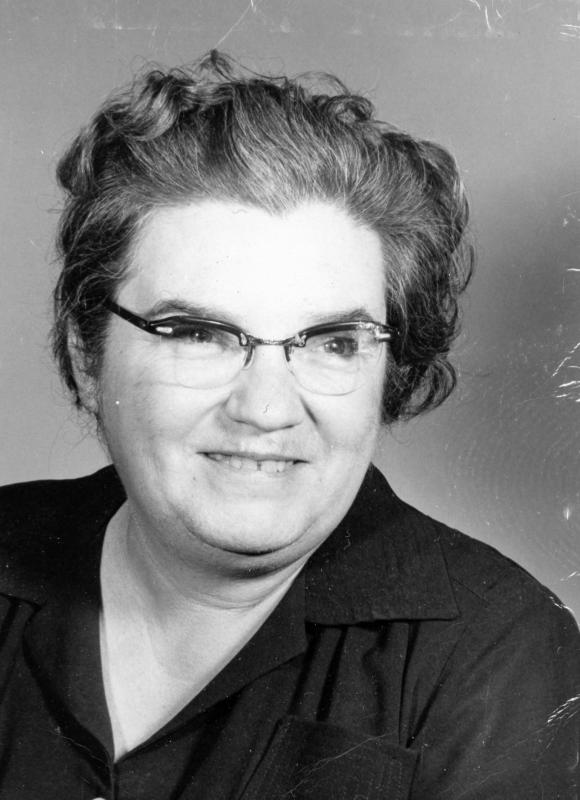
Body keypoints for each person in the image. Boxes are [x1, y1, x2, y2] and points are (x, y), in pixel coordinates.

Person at [0, 50, 578, 799]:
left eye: (332, 343)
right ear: (88, 357)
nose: (267, 408)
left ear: (390, 372)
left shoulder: (500, 657)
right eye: (198, 334)